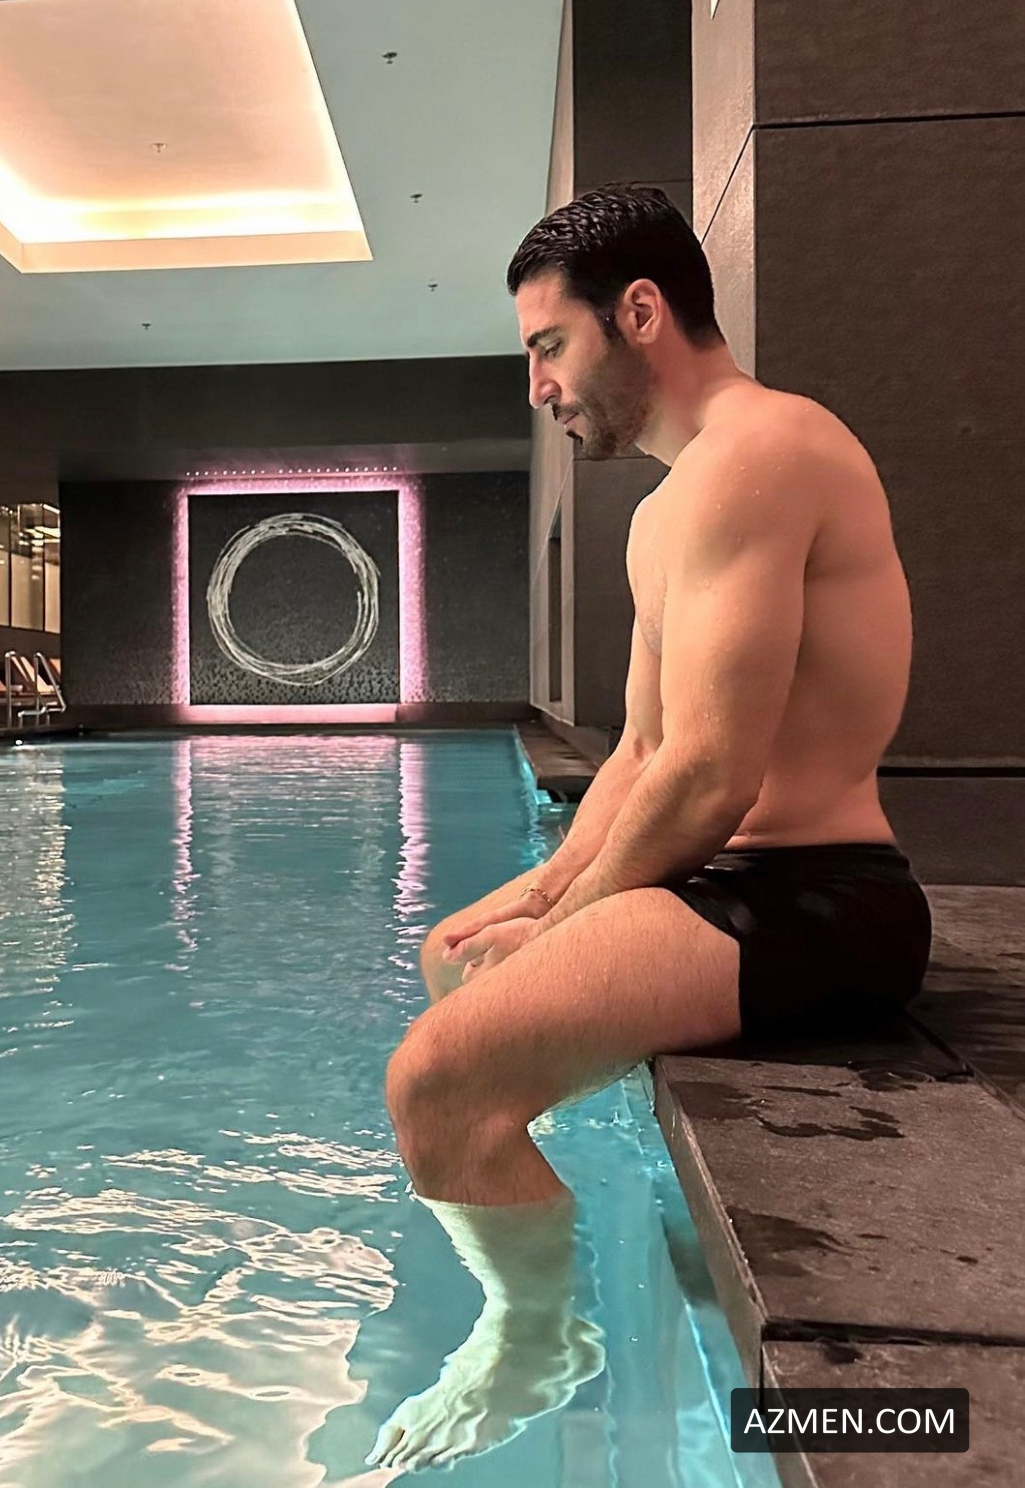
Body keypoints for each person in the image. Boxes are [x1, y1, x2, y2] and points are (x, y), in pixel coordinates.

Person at [367, 184, 932, 1473]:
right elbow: (635, 755)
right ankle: (554, 1168)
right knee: (455, 952)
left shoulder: (765, 450)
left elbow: (713, 773)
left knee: (433, 1082)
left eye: (548, 347)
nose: (539, 389)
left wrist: (566, 924)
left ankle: (534, 1336)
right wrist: (536, 901)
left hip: (821, 898)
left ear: (639, 313)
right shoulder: (665, 507)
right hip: (731, 882)